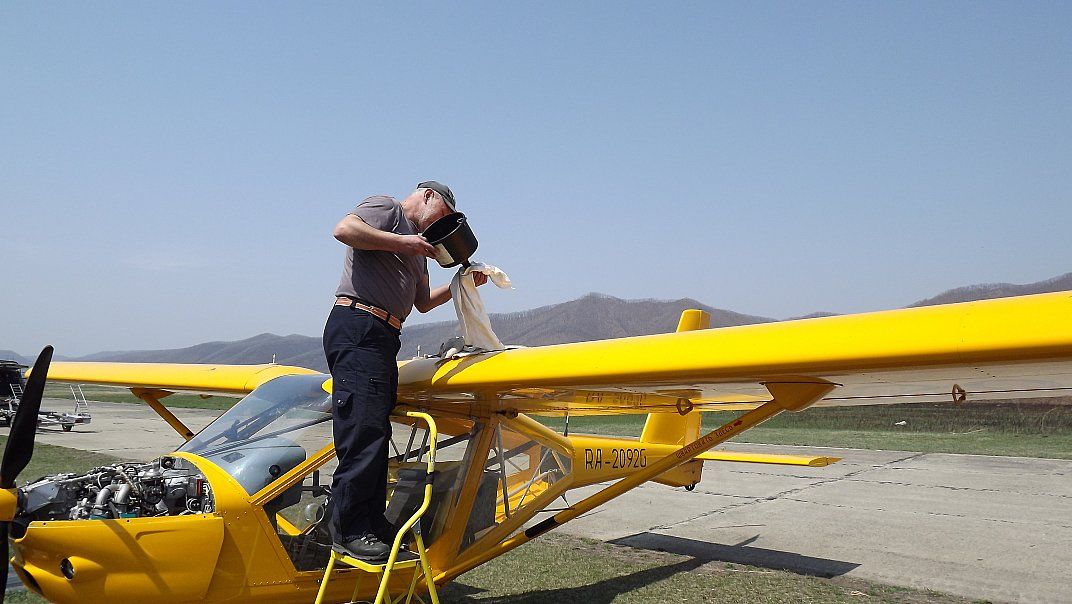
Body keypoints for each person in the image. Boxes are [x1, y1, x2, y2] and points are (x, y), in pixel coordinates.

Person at [324, 181, 486, 560]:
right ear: (428, 196)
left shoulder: (419, 250)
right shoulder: (389, 209)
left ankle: (371, 523)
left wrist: (461, 284)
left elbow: (423, 303)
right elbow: (344, 229)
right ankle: (348, 529)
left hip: (384, 335)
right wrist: (404, 243)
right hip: (359, 323)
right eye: (443, 214)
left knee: (376, 430)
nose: (439, 224)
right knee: (362, 429)